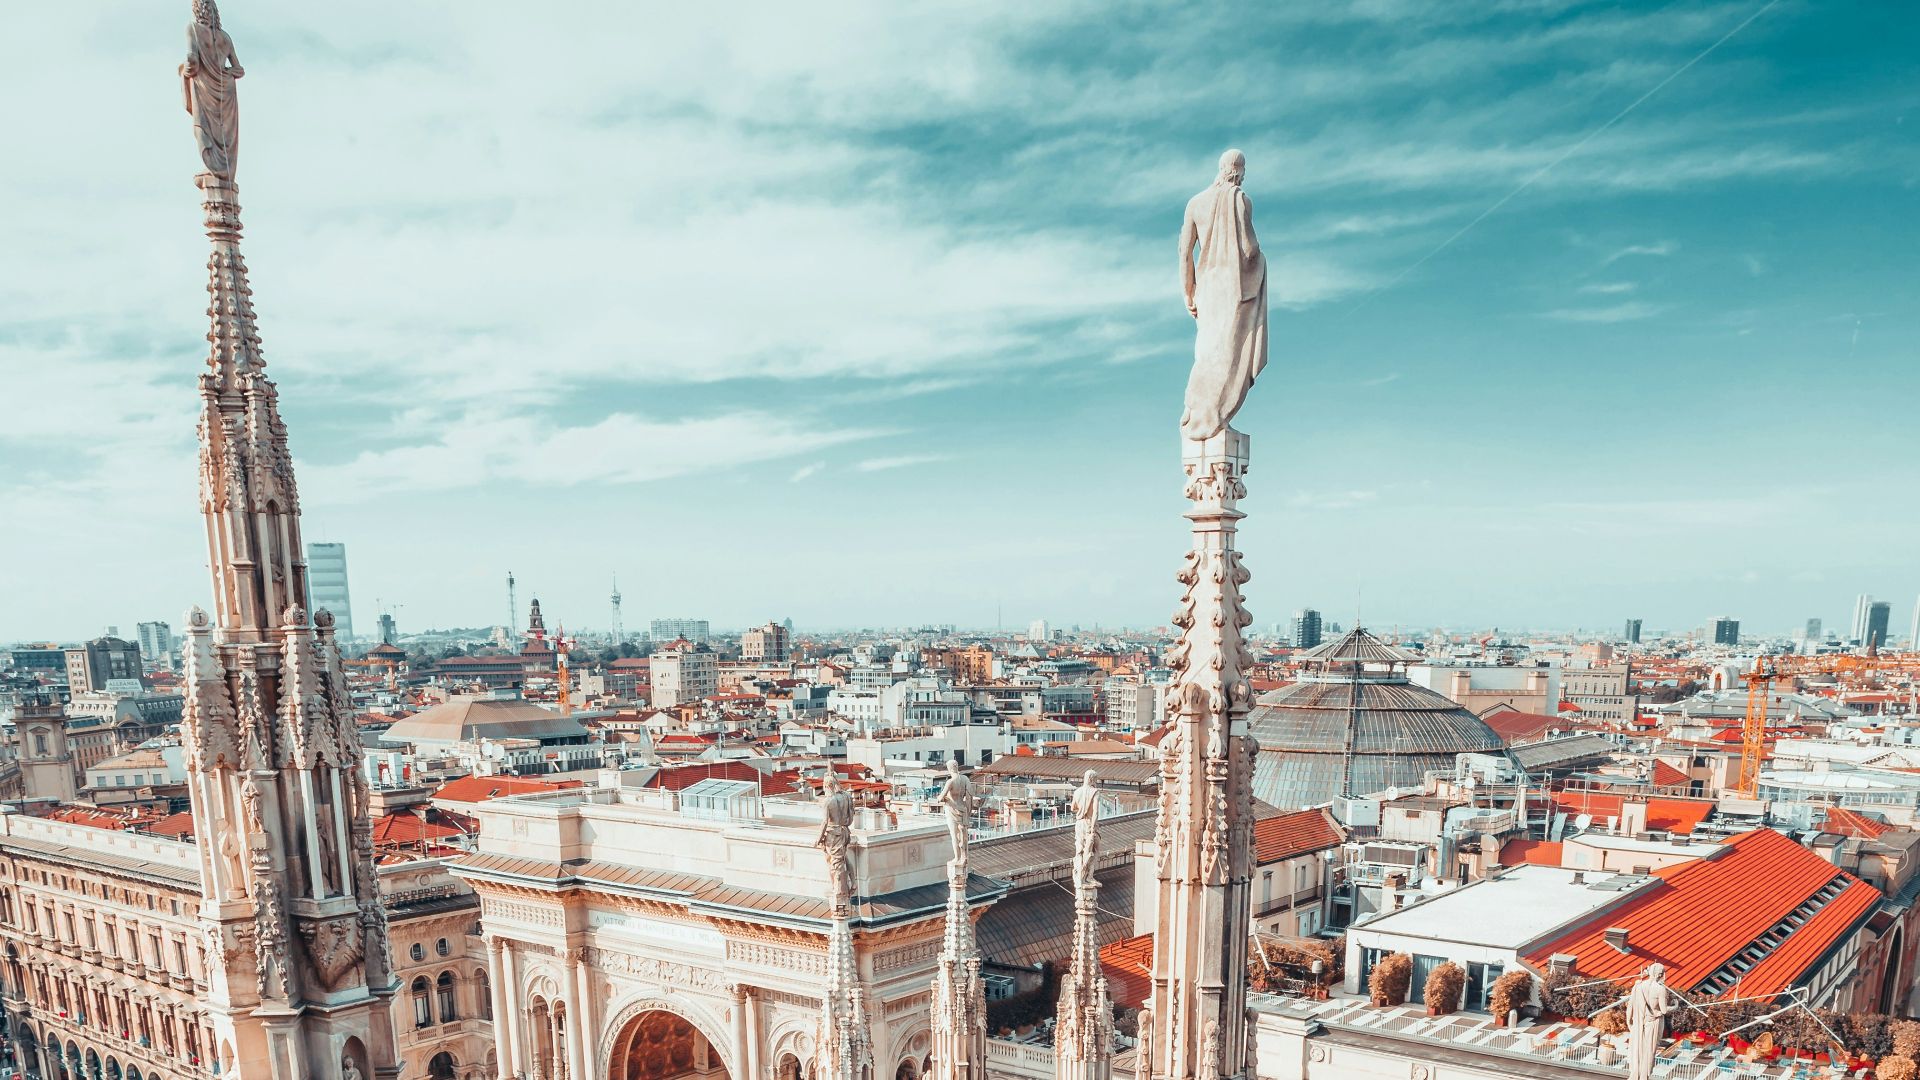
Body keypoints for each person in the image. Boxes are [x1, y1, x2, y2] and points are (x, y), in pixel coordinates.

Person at [1178, 150, 1268, 442]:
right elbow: (1249, 247)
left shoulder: (1195, 203)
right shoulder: (1240, 200)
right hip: (1231, 286)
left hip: (1206, 287)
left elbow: (1184, 251)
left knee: (1206, 351)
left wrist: (1188, 291)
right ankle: (1213, 416)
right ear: (1239, 171)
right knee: (1227, 352)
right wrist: (1262, 262)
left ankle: (1198, 412)